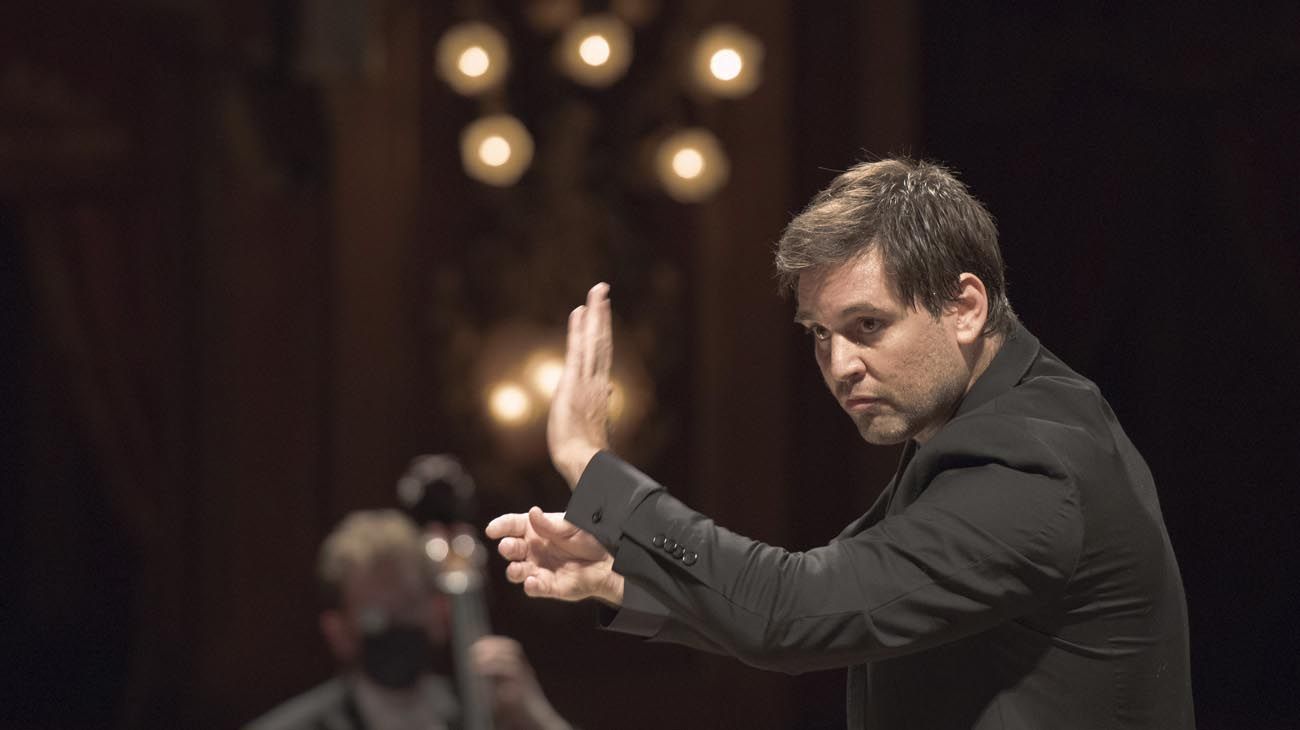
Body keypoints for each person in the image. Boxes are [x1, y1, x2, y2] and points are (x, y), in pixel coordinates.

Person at [486, 158, 1195, 729]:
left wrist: (592, 466)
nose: (839, 364)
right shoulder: (1003, 419)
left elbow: (795, 610)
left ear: (966, 307)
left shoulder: (1031, 466)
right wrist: (617, 577)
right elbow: (822, 607)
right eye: (821, 335)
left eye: (867, 326)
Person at [247, 509, 570, 730]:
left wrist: (538, 719)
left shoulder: (482, 712)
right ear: (338, 631)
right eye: (375, 613)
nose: (397, 623)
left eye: (409, 605)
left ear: (439, 611)